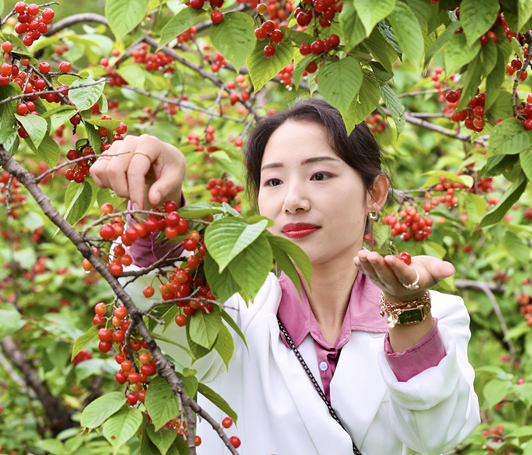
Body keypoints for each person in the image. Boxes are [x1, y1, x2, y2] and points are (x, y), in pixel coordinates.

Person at [90, 98, 480, 454]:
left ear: (374, 193)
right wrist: (157, 208)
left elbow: (438, 435)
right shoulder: (230, 312)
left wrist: (406, 309)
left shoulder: (437, 317)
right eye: (273, 181)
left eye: (320, 175)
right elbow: (159, 320)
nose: (293, 200)